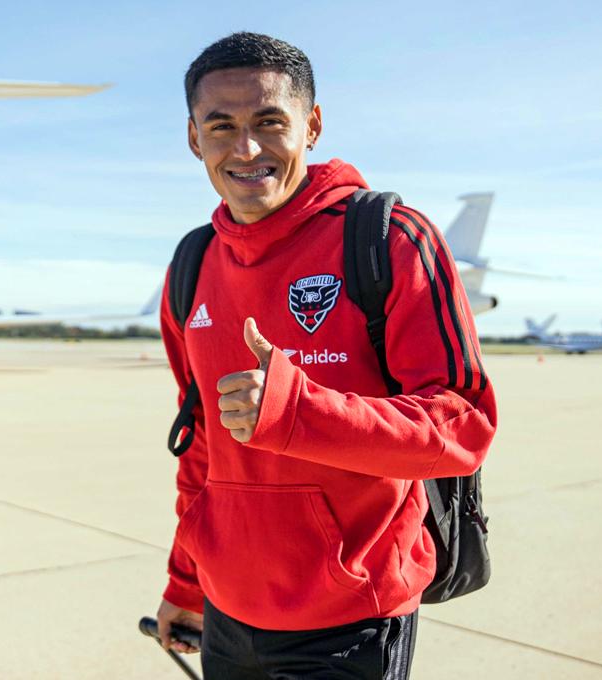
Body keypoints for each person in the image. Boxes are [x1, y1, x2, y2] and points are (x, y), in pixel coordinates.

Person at [154, 32, 498, 679]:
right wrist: (187, 583)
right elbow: (200, 445)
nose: (246, 148)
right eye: (221, 125)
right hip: (228, 611)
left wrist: (297, 409)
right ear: (194, 137)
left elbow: (463, 427)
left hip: (350, 616)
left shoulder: (390, 239)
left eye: (269, 122)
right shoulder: (192, 264)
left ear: (311, 126)